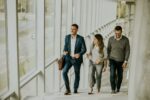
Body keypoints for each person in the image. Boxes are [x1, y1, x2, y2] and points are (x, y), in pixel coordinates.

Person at [63, 24, 87, 95]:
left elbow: (84, 49)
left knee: (77, 74)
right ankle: (67, 89)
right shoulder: (67, 37)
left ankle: (75, 89)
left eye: (73, 29)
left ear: (77, 30)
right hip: (68, 59)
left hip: (77, 59)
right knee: (64, 72)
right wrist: (65, 51)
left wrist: (79, 54)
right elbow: (65, 47)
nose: (72, 30)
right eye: (71, 29)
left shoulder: (81, 38)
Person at [107, 26, 130, 94]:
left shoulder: (125, 40)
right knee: (112, 74)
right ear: (114, 32)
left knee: (120, 76)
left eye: (119, 33)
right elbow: (108, 49)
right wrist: (108, 59)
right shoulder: (110, 39)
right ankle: (113, 89)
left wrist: (126, 61)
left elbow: (127, 51)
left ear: (121, 32)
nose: (117, 35)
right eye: (116, 33)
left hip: (121, 60)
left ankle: (118, 87)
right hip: (112, 59)